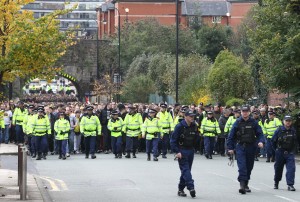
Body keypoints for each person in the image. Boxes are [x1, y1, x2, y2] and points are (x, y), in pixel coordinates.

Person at [227, 105, 265, 194]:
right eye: (243, 111)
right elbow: (231, 136)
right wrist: (230, 148)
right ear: (241, 112)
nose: (244, 113)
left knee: (249, 167)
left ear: (249, 112)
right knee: (242, 167)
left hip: (251, 147)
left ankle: (246, 183)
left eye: (246, 111)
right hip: (240, 147)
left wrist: (261, 142)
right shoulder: (237, 122)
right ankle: (242, 186)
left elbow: (260, 134)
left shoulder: (254, 122)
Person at [170, 110, 198, 198]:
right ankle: (191, 187)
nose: (192, 118)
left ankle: (180, 189)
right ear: (185, 116)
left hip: (190, 150)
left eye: (193, 116)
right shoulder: (179, 126)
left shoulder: (194, 126)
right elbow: (173, 140)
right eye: (190, 116)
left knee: (186, 171)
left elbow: (196, 138)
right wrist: (177, 152)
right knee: (186, 170)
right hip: (182, 150)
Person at [272, 115, 297, 191]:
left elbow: (295, 142)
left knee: (291, 169)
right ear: (283, 121)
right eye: (286, 121)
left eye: (289, 121)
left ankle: (290, 185)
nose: (288, 122)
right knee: (278, 169)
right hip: (280, 152)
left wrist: (293, 151)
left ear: (291, 122)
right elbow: (273, 141)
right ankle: (276, 182)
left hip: (290, 153)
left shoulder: (293, 130)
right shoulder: (279, 130)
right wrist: (276, 150)